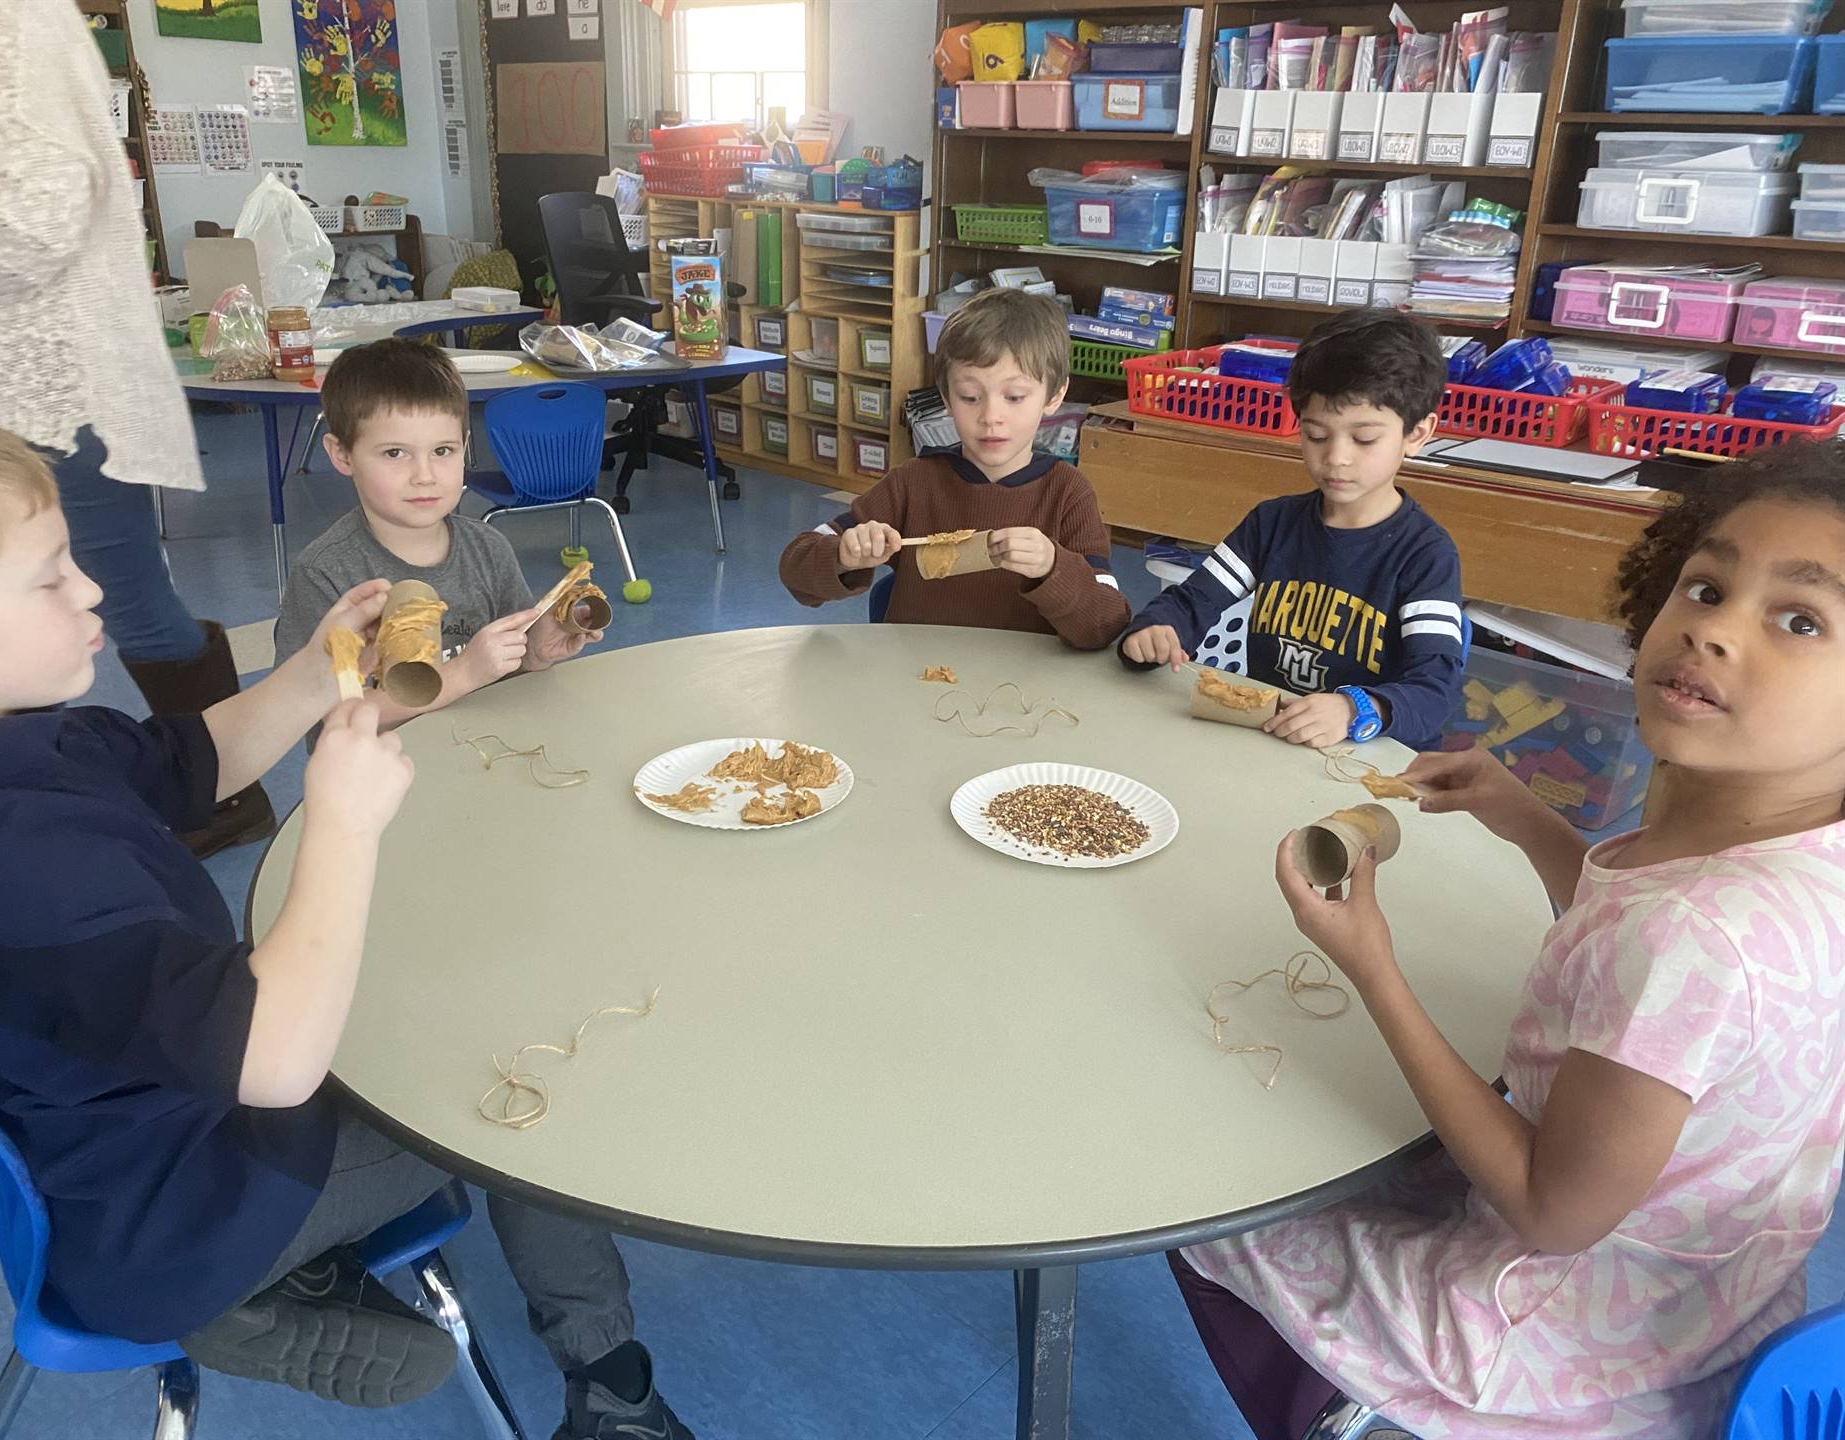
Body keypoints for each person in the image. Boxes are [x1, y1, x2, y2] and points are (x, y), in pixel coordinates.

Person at [0, 413, 693, 1440]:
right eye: (50, 576)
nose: (93, 589)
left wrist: (327, 669)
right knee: (528, 1091)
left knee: (437, 1003)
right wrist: (340, 821)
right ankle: (611, 1390)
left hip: (129, 1129)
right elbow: (274, 1063)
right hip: (183, 1192)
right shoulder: (5, 858)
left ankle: (284, 1274)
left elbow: (196, 763)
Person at [1172, 442, 1845, 1440]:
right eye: (1705, 586)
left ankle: (1331, 1408)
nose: (1712, 632)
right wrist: (1523, 813)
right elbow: (1644, 972)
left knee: (1210, 1211)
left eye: (1801, 619)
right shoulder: (1787, 847)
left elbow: (1548, 1210)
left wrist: (1372, 966)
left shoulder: (1702, 934)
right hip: (1713, 1289)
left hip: (1570, 1337)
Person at [0, 0, 270, 856]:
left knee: (99, 601)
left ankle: (222, 793)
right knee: (15, 609)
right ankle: (32, 799)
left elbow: (37, 213)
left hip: (44, 387)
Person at [1118, 310, 1463, 750]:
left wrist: (1356, 709)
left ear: (1417, 434)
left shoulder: (1426, 554)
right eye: (1317, 435)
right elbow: (1192, 602)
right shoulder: (1272, 523)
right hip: (1274, 743)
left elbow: (1436, 689)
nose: (1336, 458)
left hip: (1369, 757)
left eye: (1364, 440)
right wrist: (1154, 631)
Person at [777, 288, 1131, 649]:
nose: (991, 417)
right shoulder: (913, 482)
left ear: (1054, 396)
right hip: (916, 682)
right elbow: (796, 568)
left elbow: (1105, 624)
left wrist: (1053, 567)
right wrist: (842, 554)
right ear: (946, 397)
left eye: (1014, 397)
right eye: (970, 397)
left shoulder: (1068, 494)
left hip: (1023, 699)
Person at [273, 339, 603, 718]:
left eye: (442, 451)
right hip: (379, 772)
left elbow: (507, 664)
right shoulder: (326, 574)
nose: (425, 476)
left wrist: (536, 651)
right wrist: (461, 674)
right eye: (395, 453)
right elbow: (330, 715)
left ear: (464, 446)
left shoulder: (487, 548)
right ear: (342, 454)